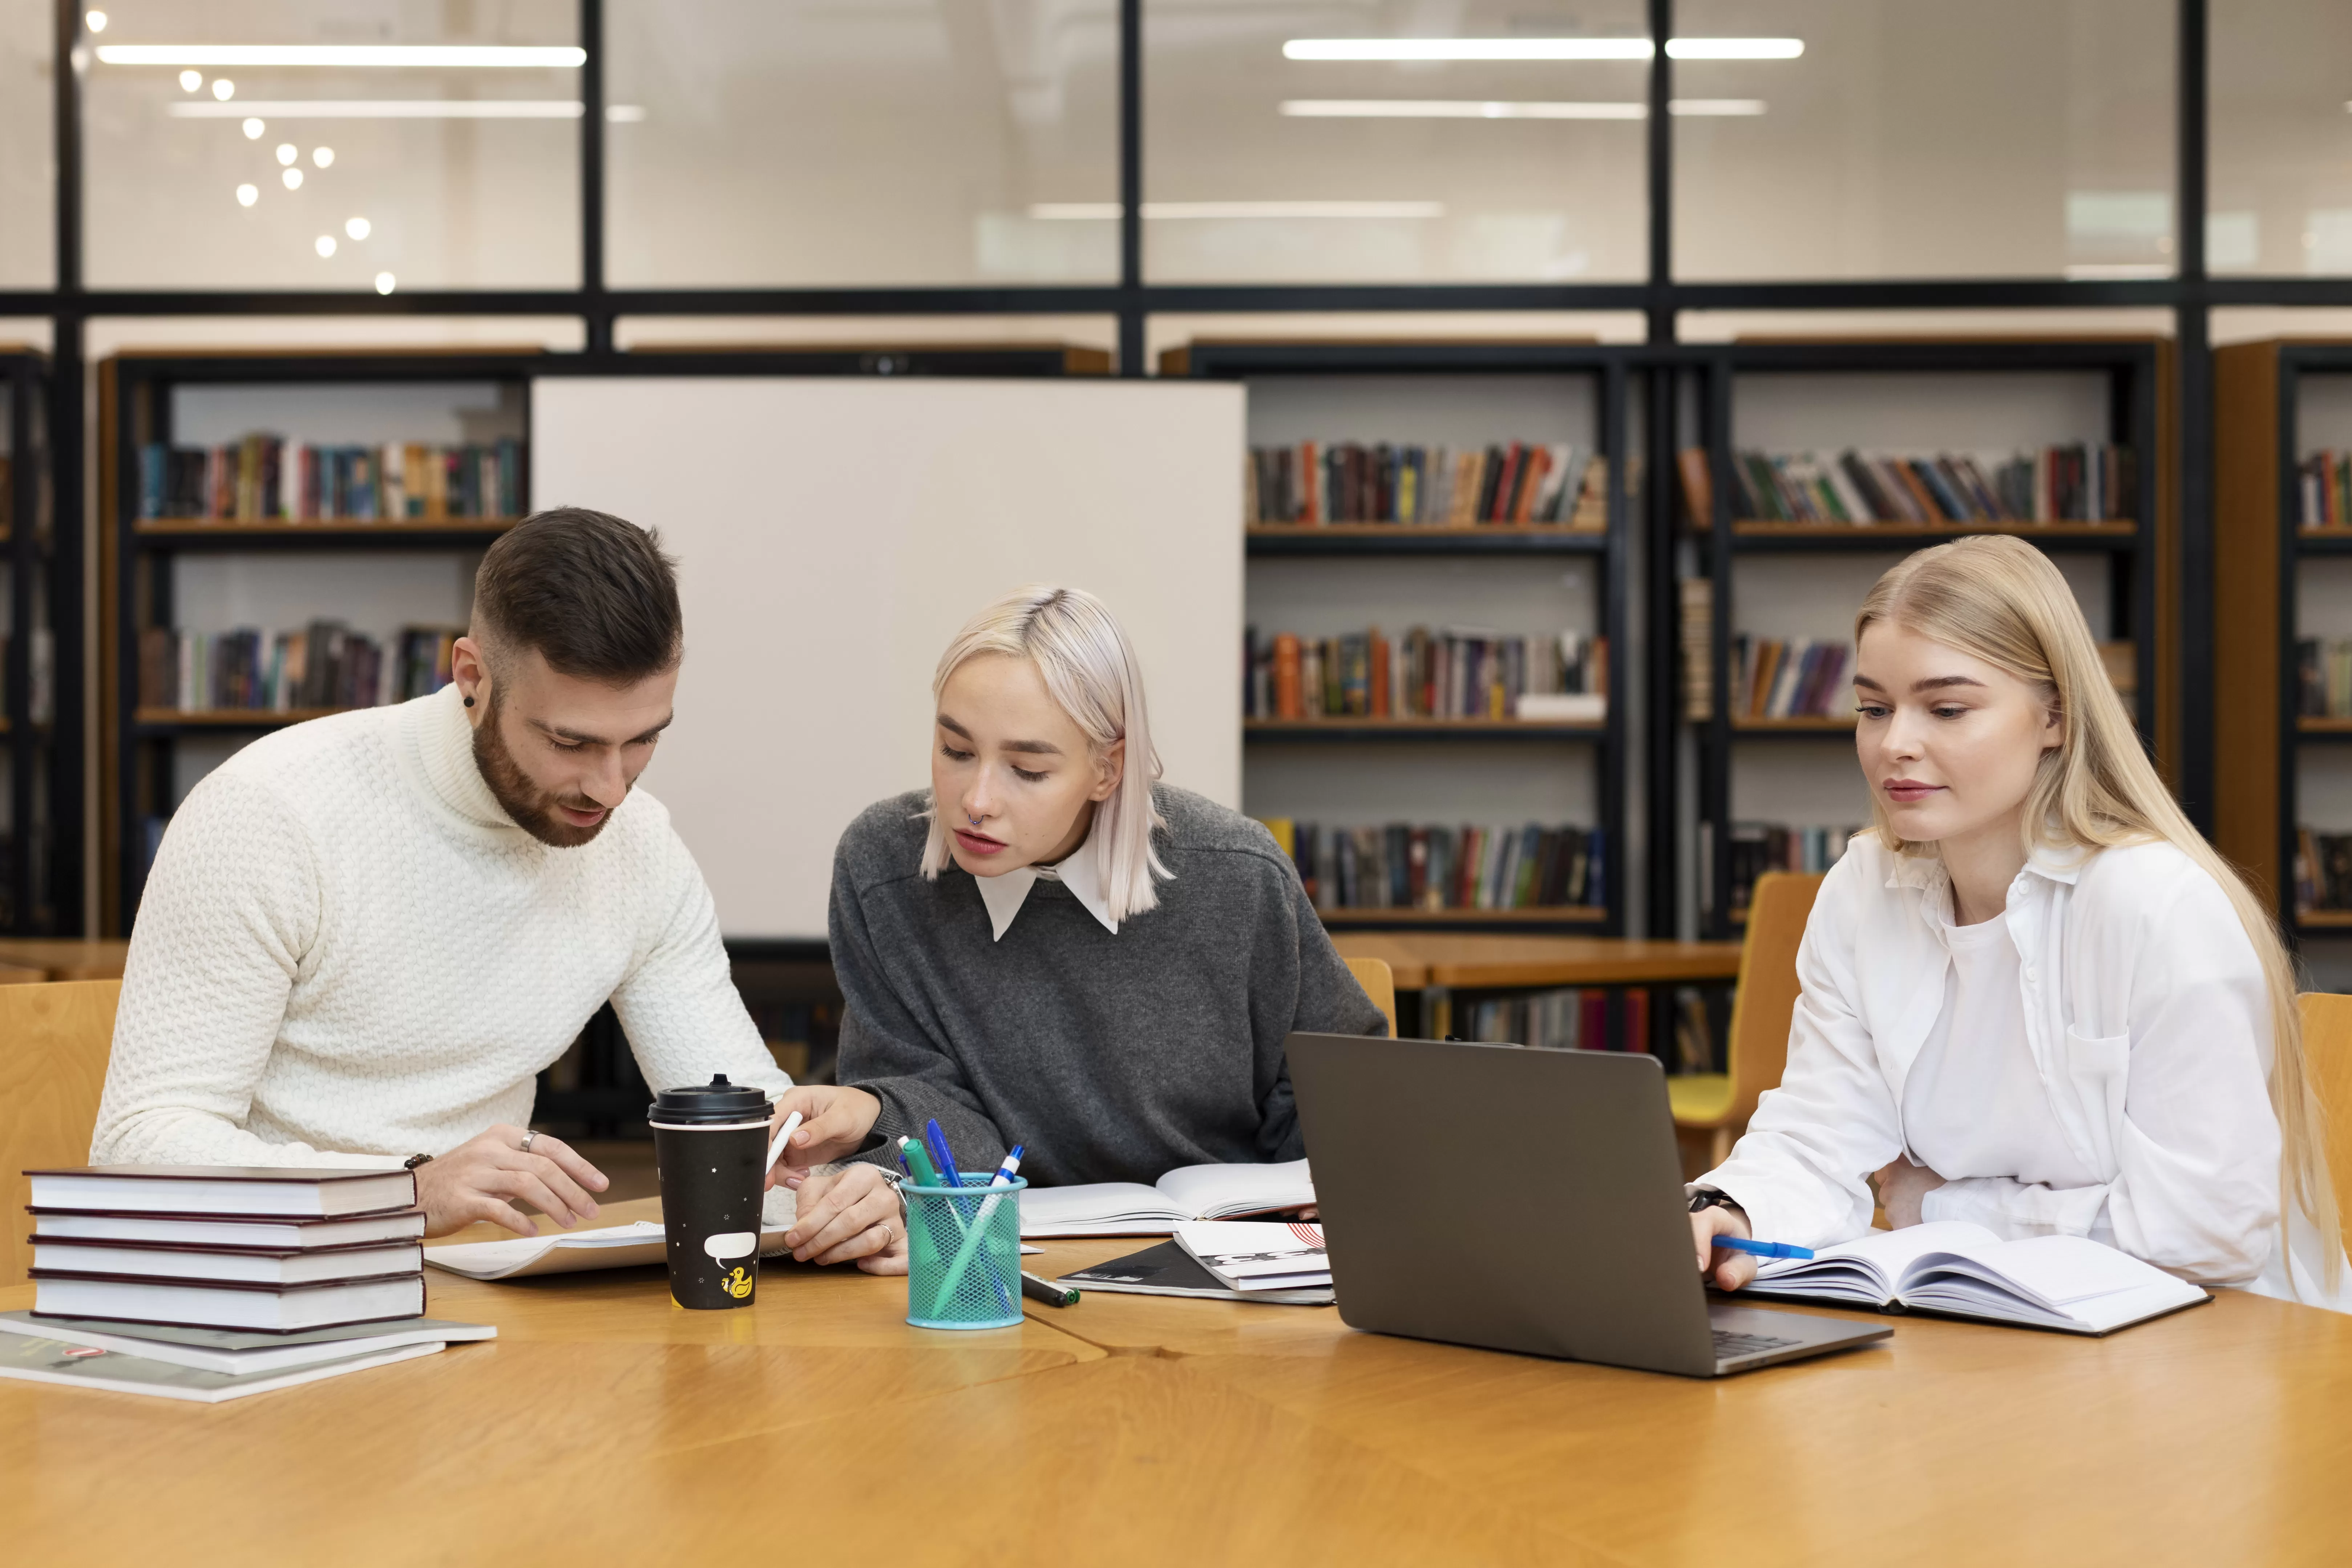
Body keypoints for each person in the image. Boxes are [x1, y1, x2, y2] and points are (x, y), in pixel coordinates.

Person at [91, 507, 905, 1270]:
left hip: (472, 1289)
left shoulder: (638, 847)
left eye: (643, 739)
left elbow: (745, 1122)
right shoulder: (273, 813)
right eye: (569, 741)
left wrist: (833, 1191)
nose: (611, 788)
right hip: (264, 1282)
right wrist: (404, 1192)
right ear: (473, 677)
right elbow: (139, 1146)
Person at [1687, 535, 2348, 1310]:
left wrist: (1940, 1204)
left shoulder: (2156, 903)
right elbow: (1817, 1130)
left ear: (2055, 718)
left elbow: (2206, 1233)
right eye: (1874, 708)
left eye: (1947, 708)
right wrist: (1727, 1209)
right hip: (1991, 1325)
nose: (1895, 743)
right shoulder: (1864, 888)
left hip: (2220, 1347)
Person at [769, 584, 1387, 1209]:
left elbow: (1344, 1089)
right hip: (999, 1254)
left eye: (1028, 770)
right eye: (956, 751)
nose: (976, 800)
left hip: (1226, 1253)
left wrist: (1325, 1187)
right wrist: (884, 1151)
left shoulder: (1235, 872)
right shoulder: (883, 867)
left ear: (1107, 770)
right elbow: (917, 1099)